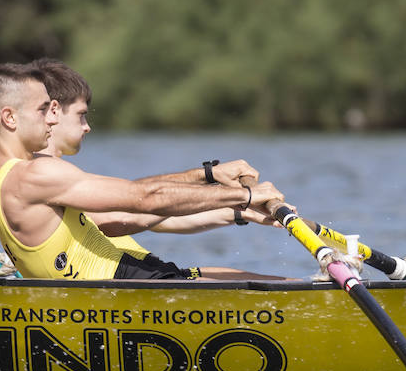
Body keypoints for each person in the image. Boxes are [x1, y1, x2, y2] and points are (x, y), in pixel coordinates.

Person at [0, 62, 284, 280]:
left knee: (274, 285)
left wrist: (216, 183)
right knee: (277, 293)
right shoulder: (34, 175)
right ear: (9, 118)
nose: (50, 119)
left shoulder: (0, 175)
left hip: (123, 278)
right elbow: (144, 199)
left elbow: (137, 196)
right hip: (120, 286)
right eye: (41, 110)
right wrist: (244, 196)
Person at [28, 58, 277, 239]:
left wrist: (239, 213)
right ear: (54, 110)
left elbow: (160, 217)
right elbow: (129, 215)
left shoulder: (63, 173)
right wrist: (218, 183)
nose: (87, 127)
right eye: (82, 115)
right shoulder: (44, 175)